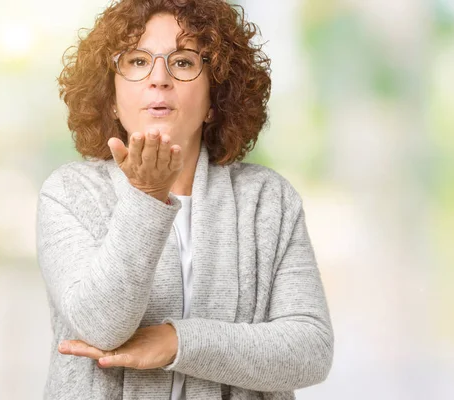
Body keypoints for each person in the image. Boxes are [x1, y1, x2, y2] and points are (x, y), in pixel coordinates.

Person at [35, 0, 334, 399]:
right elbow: (100, 325)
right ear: (110, 96)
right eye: (138, 62)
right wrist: (147, 196)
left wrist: (177, 342)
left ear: (215, 99)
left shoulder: (268, 200)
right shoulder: (70, 193)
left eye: (182, 62)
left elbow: (310, 351)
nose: (159, 78)